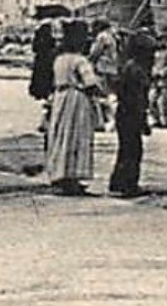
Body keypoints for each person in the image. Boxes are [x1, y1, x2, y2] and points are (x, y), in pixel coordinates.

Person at [46, 19, 102, 195]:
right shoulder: (80, 60)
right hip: (77, 99)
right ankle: (73, 176)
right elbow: (90, 83)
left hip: (60, 98)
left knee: (61, 135)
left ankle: (60, 175)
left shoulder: (59, 59)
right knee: (77, 136)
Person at [109, 32, 155, 197]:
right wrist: (144, 121)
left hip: (124, 112)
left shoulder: (129, 66)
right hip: (132, 113)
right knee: (133, 149)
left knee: (126, 148)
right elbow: (139, 99)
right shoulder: (138, 71)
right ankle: (129, 184)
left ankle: (119, 181)